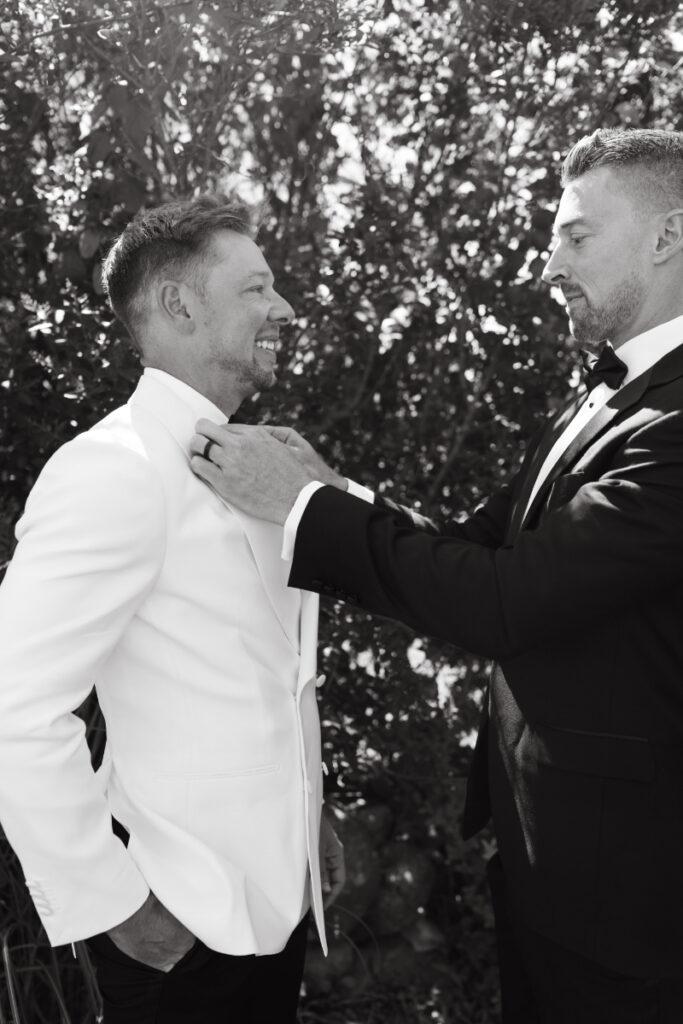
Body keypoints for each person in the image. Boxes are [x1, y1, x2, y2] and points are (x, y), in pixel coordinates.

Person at [187, 128, 683, 1023]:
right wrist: (336, 493)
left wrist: (302, 511)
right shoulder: (602, 394)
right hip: (553, 861)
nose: (548, 264)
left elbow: (502, 602)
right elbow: (486, 548)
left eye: (575, 236)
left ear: (665, 238)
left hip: (634, 892)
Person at [0, 194, 346, 1024]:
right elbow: (14, 705)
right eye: (256, 288)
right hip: (180, 934)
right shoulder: (111, 469)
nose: (284, 308)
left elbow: (261, 671)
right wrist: (115, 907)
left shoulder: (258, 463)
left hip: (276, 909)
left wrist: (309, 818)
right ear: (180, 304)